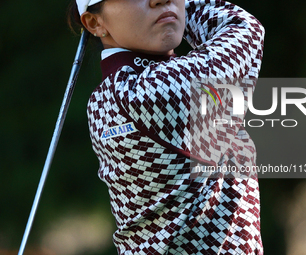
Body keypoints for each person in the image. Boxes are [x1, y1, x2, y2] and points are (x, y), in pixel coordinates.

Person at [68, 0, 265, 254]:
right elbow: (244, 29)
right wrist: (179, 7)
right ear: (94, 22)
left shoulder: (102, 100)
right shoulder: (151, 92)